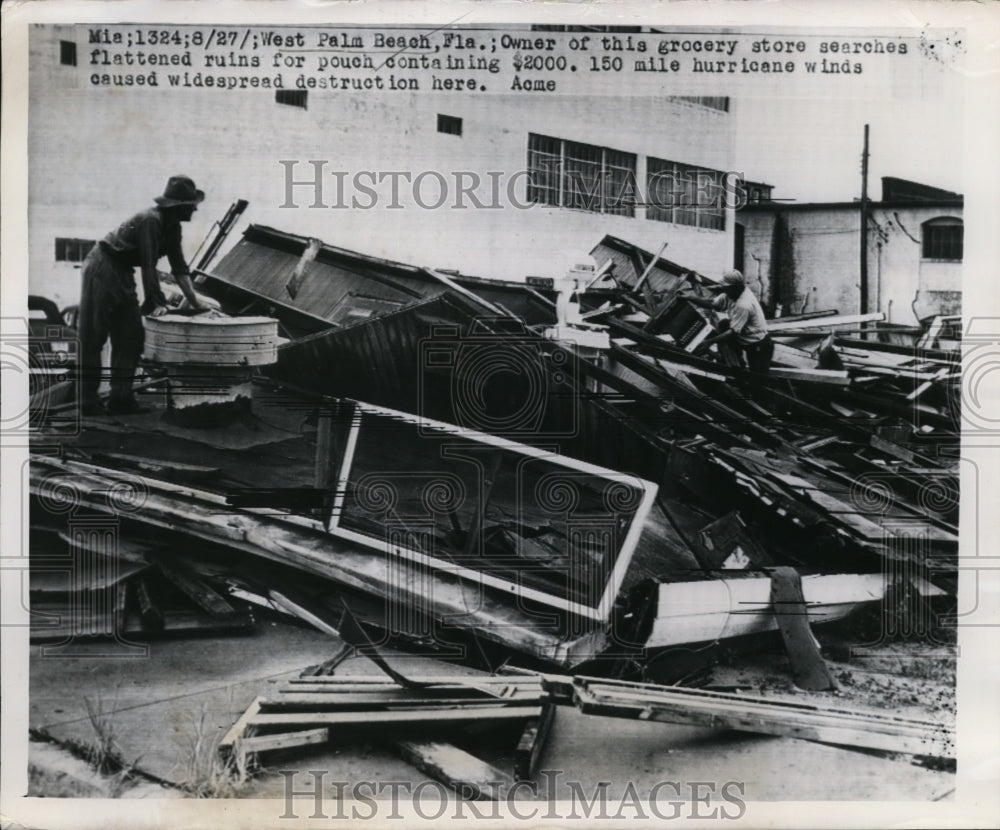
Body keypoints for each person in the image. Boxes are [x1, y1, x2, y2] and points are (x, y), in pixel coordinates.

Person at [77, 176, 206, 415]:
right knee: (93, 334)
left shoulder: (173, 227)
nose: (195, 209)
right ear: (178, 206)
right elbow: (149, 264)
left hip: (124, 271)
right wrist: (157, 302)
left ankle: (121, 399)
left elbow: (179, 268)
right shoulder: (150, 220)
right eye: (191, 205)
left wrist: (196, 303)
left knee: (131, 335)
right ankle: (87, 401)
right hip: (102, 266)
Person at [685, 269, 773, 372]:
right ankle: (736, 363)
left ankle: (739, 370)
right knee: (724, 324)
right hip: (744, 337)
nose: (724, 290)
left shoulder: (743, 304)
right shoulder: (731, 294)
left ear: (735, 288)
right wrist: (690, 297)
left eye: (726, 288)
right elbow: (712, 304)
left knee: (758, 377)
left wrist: (709, 342)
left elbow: (732, 332)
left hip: (758, 344)